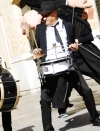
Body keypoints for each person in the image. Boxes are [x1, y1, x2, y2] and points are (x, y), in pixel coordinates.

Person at [34, 1, 100, 130]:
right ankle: (48, 128)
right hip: (50, 67)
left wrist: (74, 47)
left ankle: (95, 117)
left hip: (68, 65)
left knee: (86, 91)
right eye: (42, 16)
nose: (44, 18)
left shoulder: (68, 26)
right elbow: (37, 47)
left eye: (46, 15)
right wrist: (36, 51)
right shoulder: (40, 29)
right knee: (44, 100)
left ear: (54, 13)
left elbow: (73, 44)